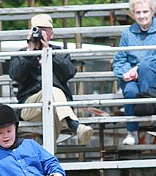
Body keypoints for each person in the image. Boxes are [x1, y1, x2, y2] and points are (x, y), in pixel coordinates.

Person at [9, 14, 94, 145]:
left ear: (51, 34)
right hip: (30, 106)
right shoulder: (21, 54)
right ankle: (76, 126)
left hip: (55, 107)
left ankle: (47, 159)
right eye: (37, 29)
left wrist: (49, 52)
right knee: (52, 91)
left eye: (44, 30)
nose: (40, 33)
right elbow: (16, 76)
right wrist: (29, 53)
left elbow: (69, 73)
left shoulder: (58, 52)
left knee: (53, 110)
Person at [113, 0, 156, 145]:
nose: (142, 16)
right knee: (130, 91)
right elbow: (120, 58)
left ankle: (150, 124)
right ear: (133, 14)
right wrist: (126, 73)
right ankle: (132, 132)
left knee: (146, 67)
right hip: (135, 77)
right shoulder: (127, 33)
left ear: (152, 11)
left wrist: (138, 68)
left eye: (145, 11)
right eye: (138, 12)